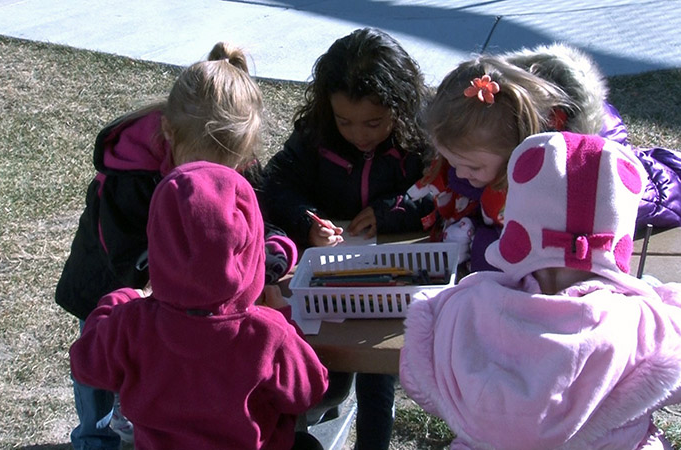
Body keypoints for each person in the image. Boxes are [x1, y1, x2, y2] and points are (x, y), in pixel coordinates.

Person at [399, 131, 681, 449]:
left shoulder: (462, 307)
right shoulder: (643, 323)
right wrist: (668, 297)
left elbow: (419, 376)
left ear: (516, 226)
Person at [55, 42, 299, 449]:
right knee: (98, 374)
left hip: (178, 306)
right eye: (200, 165)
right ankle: (94, 438)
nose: (216, 179)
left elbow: (259, 226)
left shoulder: (238, 168)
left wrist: (270, 255)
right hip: (108, 284)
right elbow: (122, 250)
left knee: (157, 380)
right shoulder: (130, 173)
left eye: (230, 168)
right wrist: (152, 285)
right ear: (169, 134)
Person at [70, 160, 329, 449]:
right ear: (251, 249)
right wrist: (284, 316)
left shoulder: (130, 325)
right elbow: (310, 390)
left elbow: (86, 364)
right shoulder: (269, 333)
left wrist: (118, 300)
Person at [260, 28, 433, 449]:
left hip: (390, 280)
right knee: (328, 373)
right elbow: (274, 185)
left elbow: (441, 190)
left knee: (377, 381)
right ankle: (321, 417)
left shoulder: (422, 137)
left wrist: (394, 211)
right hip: (326, 280)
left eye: (374, 122)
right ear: (327, 109)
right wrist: (307, 222)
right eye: (345, 121)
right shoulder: (316, 136)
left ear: (402, 106)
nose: (359, 134)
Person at [410, 43, 681, 273]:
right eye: (454, 162)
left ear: (521, 152)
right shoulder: (492, 156)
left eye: (471, 166)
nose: (460, 174)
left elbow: (546, 258)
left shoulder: (588, 181)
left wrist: (481, 245)